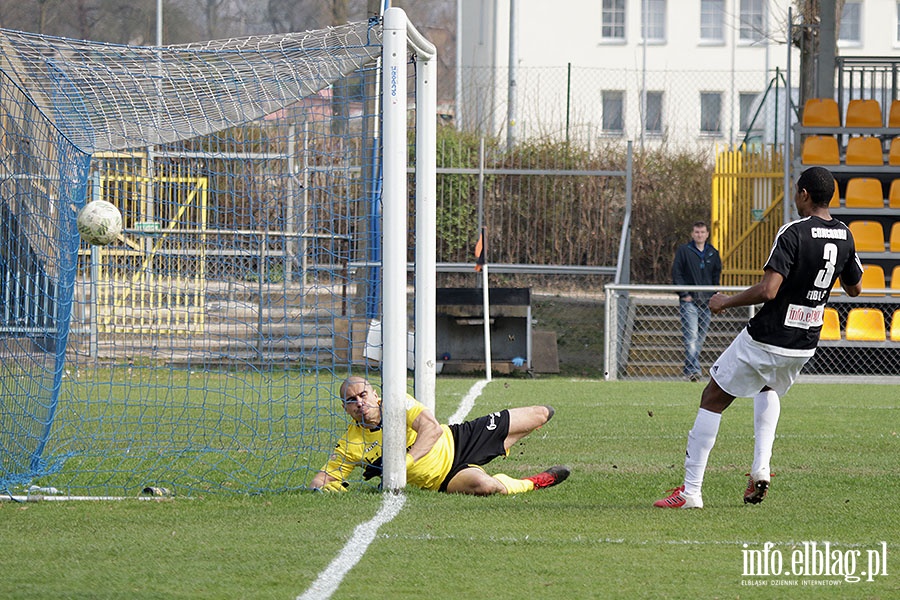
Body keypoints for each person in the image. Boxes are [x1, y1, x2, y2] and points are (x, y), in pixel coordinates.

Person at [654, 166, 863, 509]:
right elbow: (855, 288)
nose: (796, 198)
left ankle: (690, 491)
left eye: (797, 192)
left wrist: (725, 301)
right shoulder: (845, 234)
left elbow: (769, 291)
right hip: (805, 341)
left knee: (713, 397)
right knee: (767, 387)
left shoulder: (793, 231)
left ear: (805, 194)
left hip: (770, 334)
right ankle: (761, 470)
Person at [309, 376, 570, 495]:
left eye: (363, 395)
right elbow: (322, 478)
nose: (359, 403)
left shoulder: (398, 404)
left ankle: (500, 443)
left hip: (459, 439)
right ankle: (534, 482)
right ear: (346, 409)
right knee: (488, 487)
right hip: (443, 478)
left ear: (376, 395)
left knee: (542, 413)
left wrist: (403, 463)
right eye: (351, 401)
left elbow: (431, 429)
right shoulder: (351, 444)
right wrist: (324, 487)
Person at [672, 221, 722, 382]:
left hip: (706, 301)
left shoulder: (713, 253)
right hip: (690, 301)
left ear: (707, 234)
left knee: (700, 337)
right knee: (691, 335)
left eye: (702, 232)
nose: (699, 235)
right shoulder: (684, 251)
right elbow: (677, 272)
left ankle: (689, 368)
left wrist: (715, 295)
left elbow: (716, 275)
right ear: (692, 234)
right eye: (696, 232)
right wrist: (684, 293)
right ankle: (693, 370)